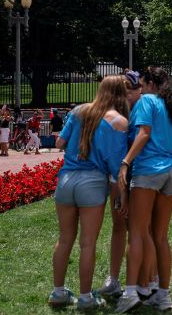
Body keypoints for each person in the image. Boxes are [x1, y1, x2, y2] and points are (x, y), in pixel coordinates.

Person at [49, 75, 129, 310]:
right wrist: (122, 192)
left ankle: (58, 292)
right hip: (92, 182)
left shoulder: (78, 111)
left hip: (66, 179)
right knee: (87, 244)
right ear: (119, 94)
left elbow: (60, 143)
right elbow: (116, 165)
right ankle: (85, 297)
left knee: (64, 239)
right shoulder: (119, 122)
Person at [116, 67, 172, 313]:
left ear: (149, 84)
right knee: (160, 236)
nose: (140, 88)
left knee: (137, 232)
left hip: (148, 170)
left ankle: (130, 293)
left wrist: (126, 162)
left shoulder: (148, 101)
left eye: (142, 83)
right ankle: (164, 294)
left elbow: (143, 133)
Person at [97, 70, 143, 300]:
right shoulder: (114, 117)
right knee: (119, 226)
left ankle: (141, 281)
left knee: (138, 229)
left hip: (140, 177)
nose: (127, 94)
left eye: (131, 89)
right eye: (124, 89)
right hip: (120, 179)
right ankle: (114, 278)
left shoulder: (141, 111)